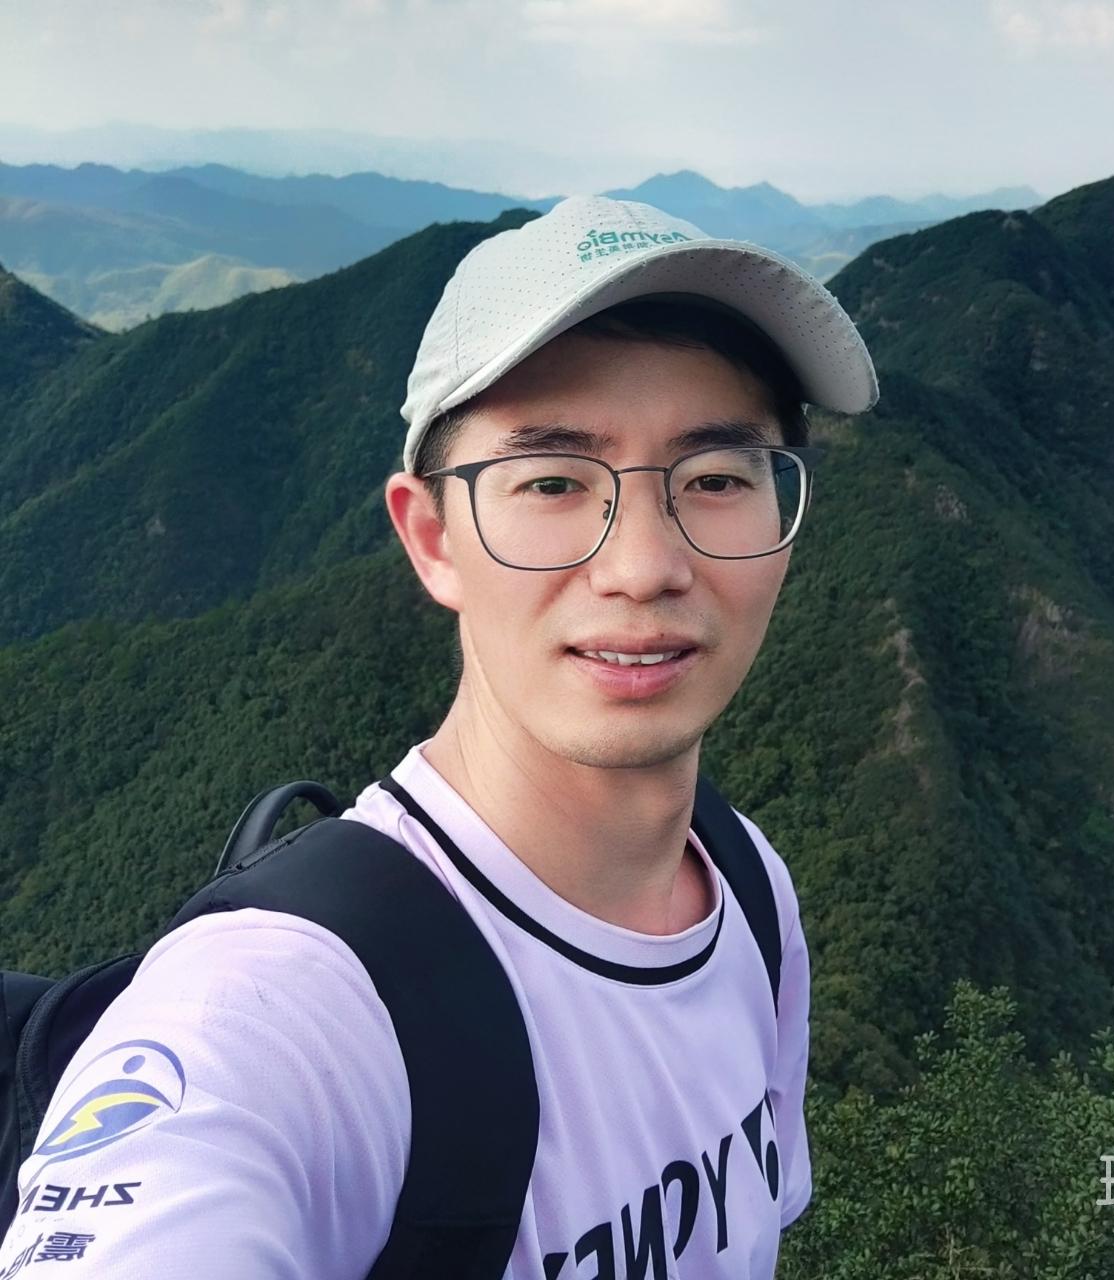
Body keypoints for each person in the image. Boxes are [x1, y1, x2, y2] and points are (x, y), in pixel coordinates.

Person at [0, 195, 876, 1278]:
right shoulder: (285, 1006)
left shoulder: (748, 892)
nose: (644, 566)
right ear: (432, 538)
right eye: (552, 482)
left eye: (714, 480)